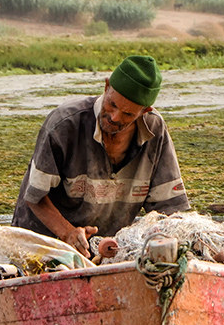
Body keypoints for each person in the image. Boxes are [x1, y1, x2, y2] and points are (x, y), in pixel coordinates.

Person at [11, 54, 190, 255]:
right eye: (112, 104)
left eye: (128, 114)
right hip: (39, 245)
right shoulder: (64, 124)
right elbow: (35, 196)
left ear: (144, 111)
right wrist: (68, 233)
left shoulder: (155, 132)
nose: (115, 117)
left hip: (105, 250)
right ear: (106, 87)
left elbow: (170, 208)